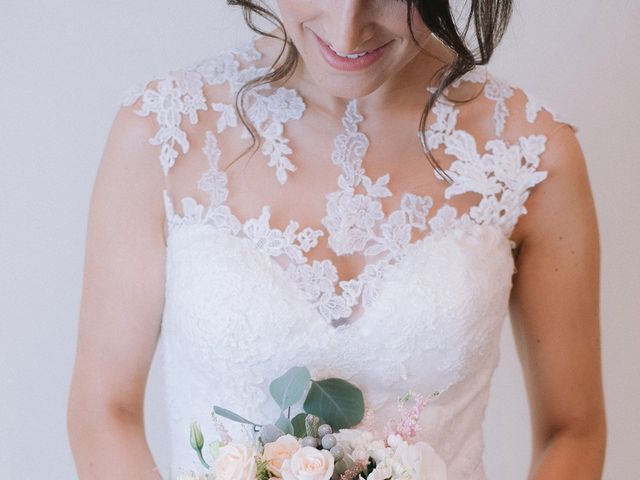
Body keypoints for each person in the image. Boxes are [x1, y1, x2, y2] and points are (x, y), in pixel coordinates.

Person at [67, 0, 607, 478]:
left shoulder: (533, 155)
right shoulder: (164, 132)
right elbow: (103, 410)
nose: (347, 30)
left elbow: (573, 429)